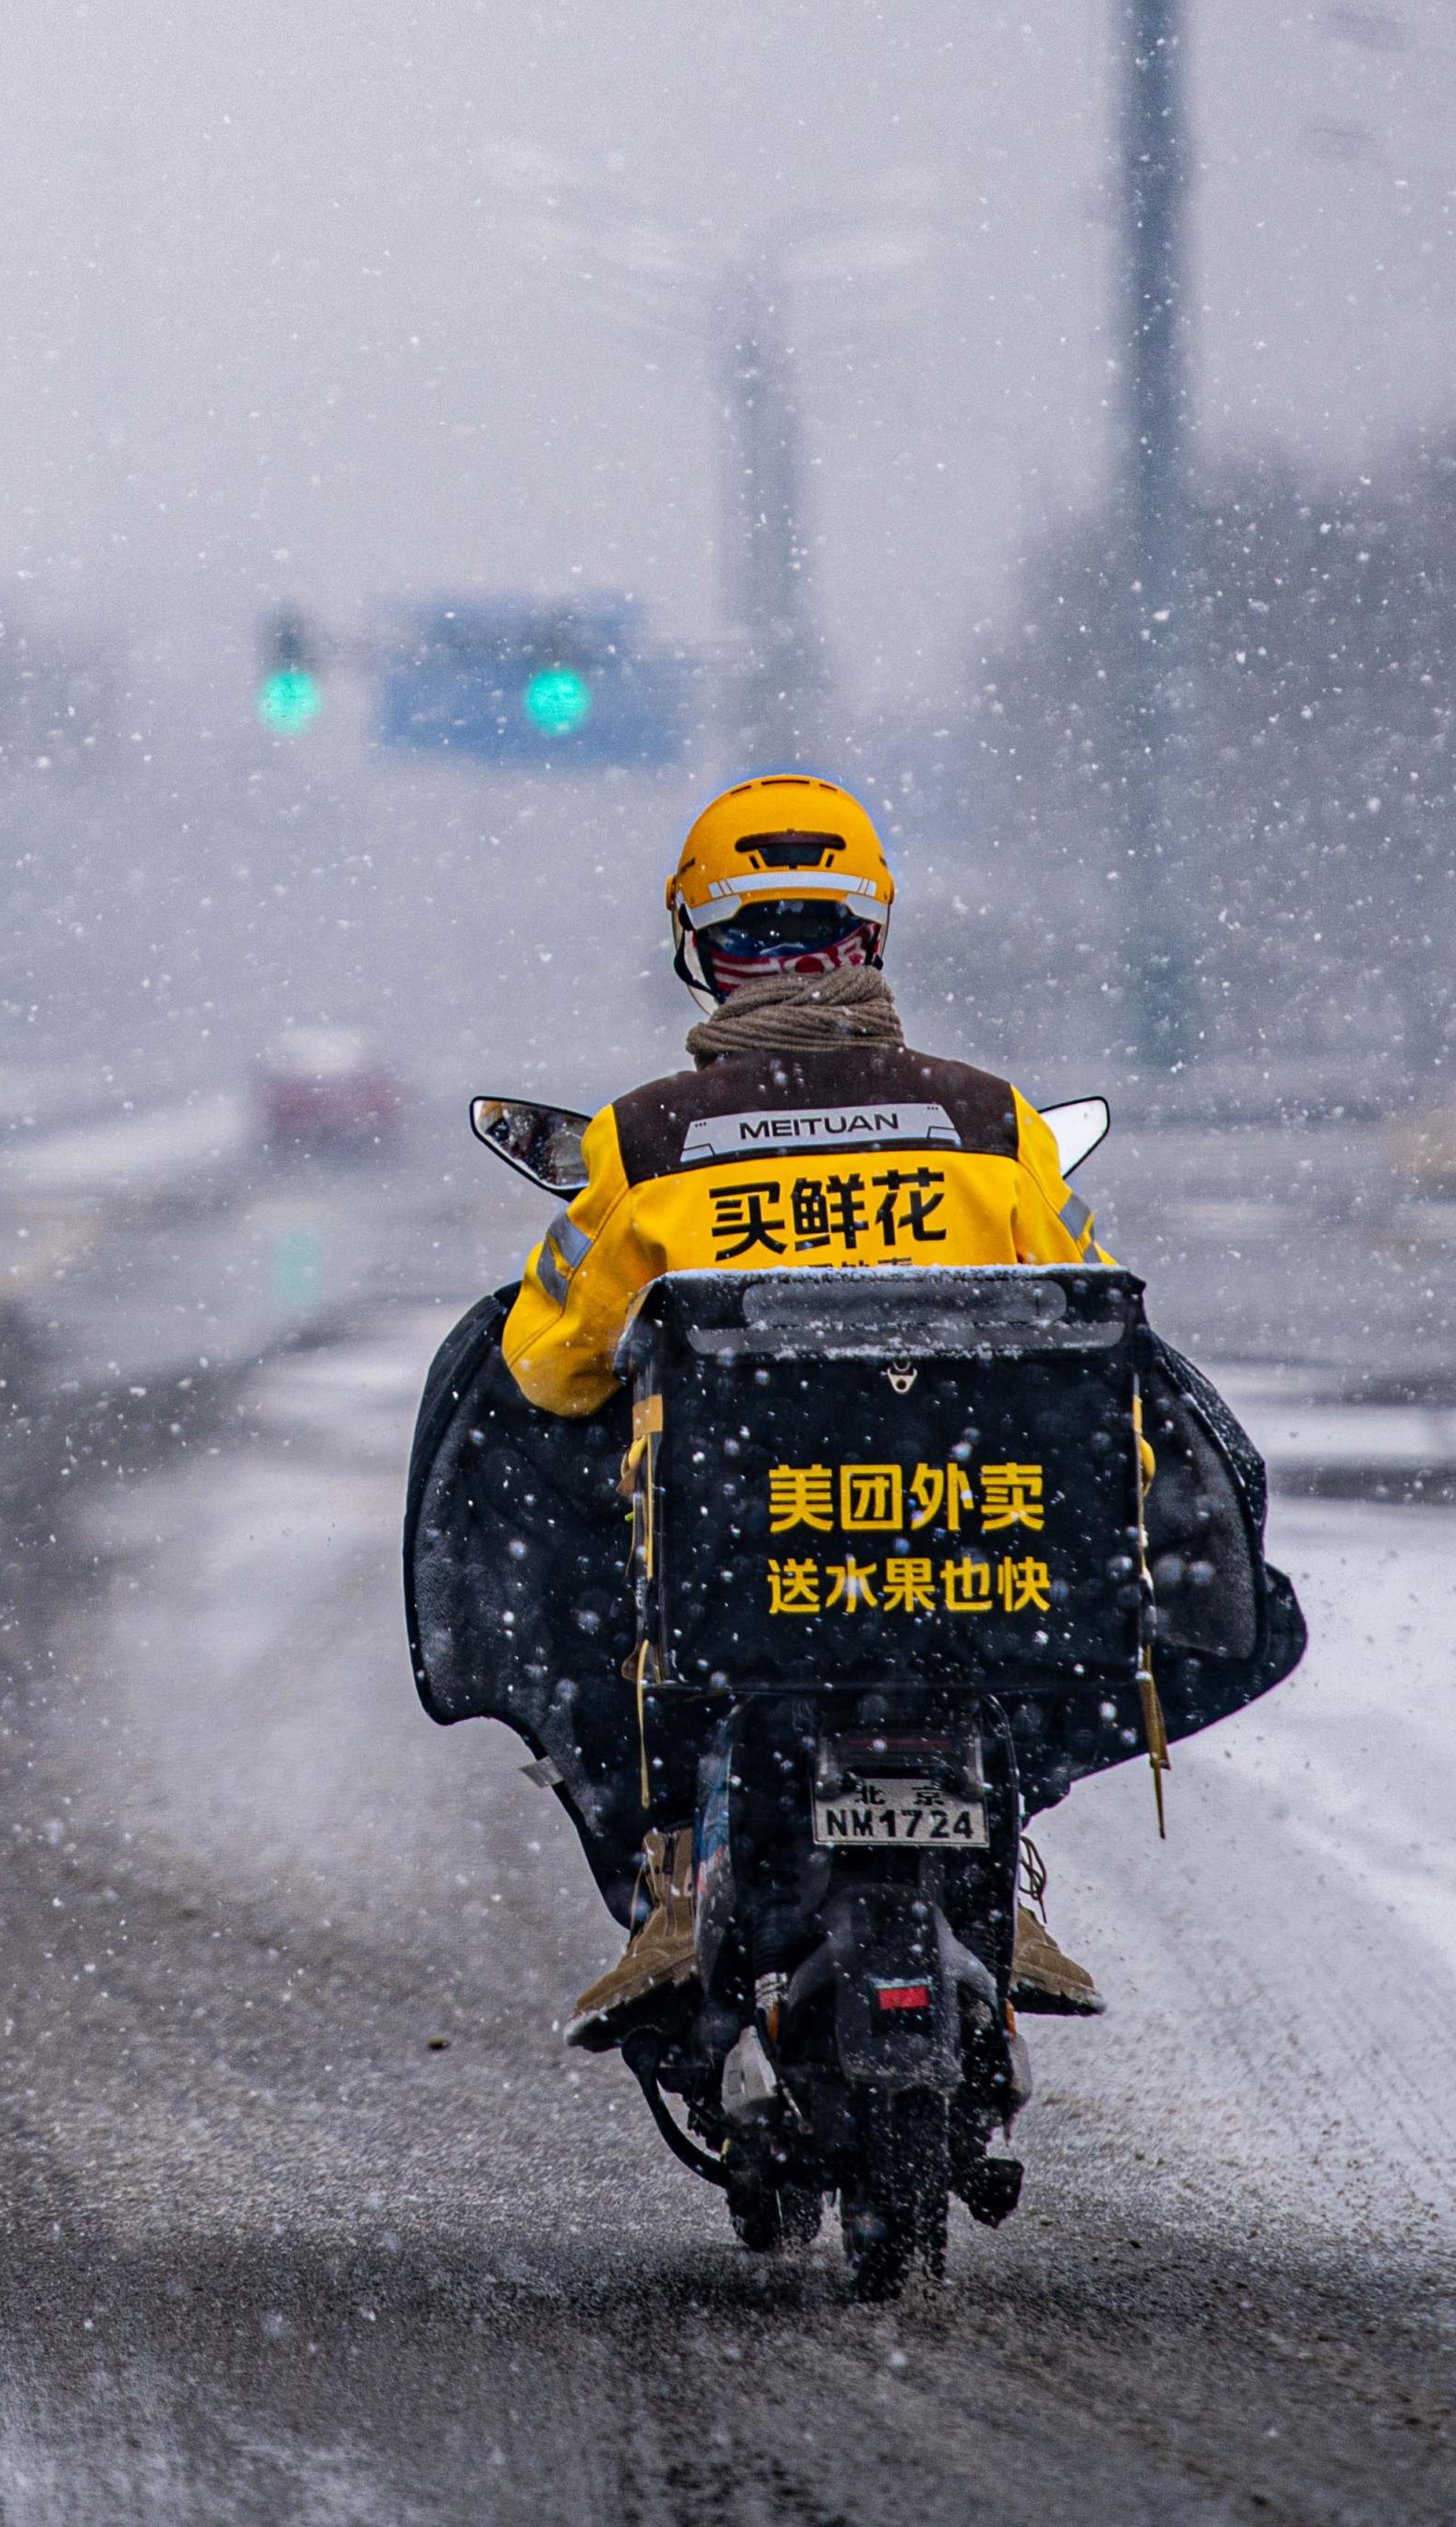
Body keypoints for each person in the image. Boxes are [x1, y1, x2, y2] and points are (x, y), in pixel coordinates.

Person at [489, 771, 1115, 2037]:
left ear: (698, 951)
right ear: (871, 936)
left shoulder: (644, 1139)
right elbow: (1080, 1319)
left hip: (731, 1552)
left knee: (603, 1623)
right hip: (969, 1543)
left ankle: (678, 1877)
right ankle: (1011, 1873)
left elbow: (553, 1367)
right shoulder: (992, 1124)